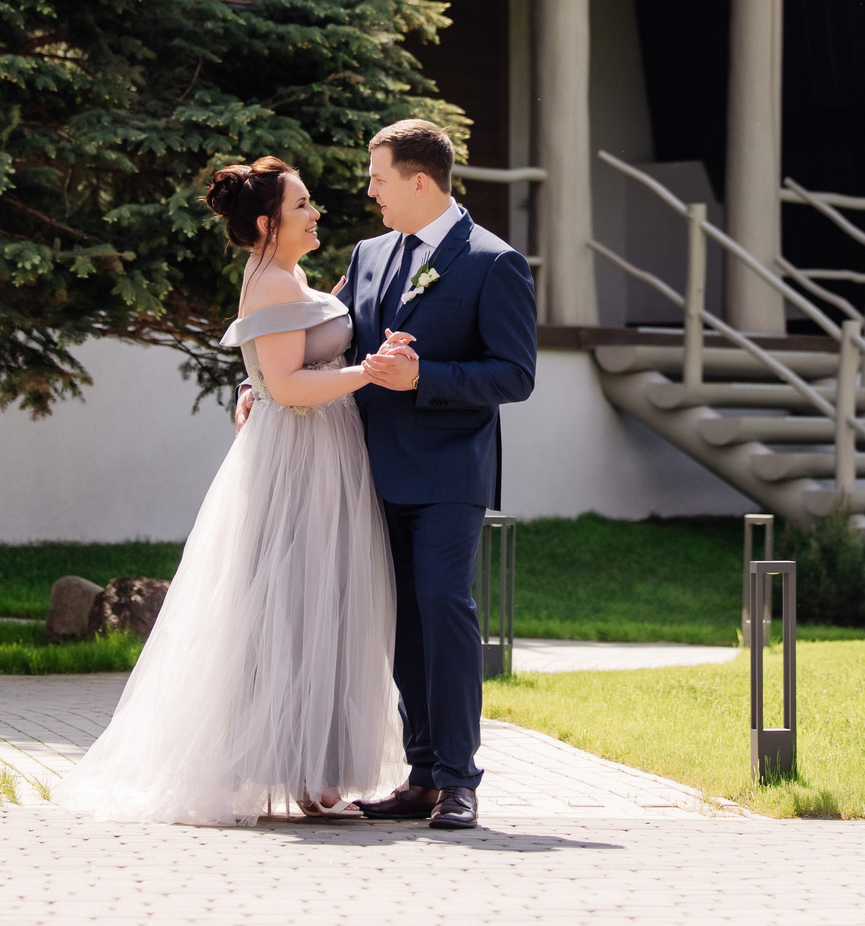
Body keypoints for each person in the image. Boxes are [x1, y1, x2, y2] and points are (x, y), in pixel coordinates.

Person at [54, 157, 406, 826]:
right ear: (270, 222)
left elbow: (289, 362)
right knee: (288, 601)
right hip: (299, 458)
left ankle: (311, 767)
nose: (316, 212)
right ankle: (289, 764)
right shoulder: (271, 283)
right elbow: (291, 387)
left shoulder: (288, 276)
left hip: (323, 453)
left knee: (315, 602)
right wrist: (369, 370)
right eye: (303, 205)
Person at [336, 118, 539, 832]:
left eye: (380, 178)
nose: (371, 192)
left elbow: (515, 375)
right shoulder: (366, 255)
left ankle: (459, 778)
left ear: (420, 181)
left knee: (445, 607)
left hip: (452, 473)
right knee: (400, 620)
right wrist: (263, 382)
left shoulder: (494, 262)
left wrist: (425, 376)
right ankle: (421, 772)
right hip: (372, 471)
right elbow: (330, 335)